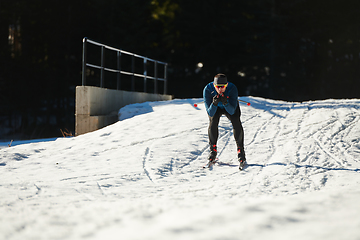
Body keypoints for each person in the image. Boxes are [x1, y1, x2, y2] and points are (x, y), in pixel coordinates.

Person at [203, 73, 246, 168]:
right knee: (213, 122)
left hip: (229, 106)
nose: (220, 89)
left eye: (223, 87)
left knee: (236, 122)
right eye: (217, 87)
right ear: (214, 85)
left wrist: (225, 102)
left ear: (226, 85)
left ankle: (241, 152)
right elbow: (210, 113)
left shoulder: (232, 88)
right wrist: (214, 103)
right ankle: (212, 151)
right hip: (216, 108)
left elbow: (232, 111)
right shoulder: (208, 89)